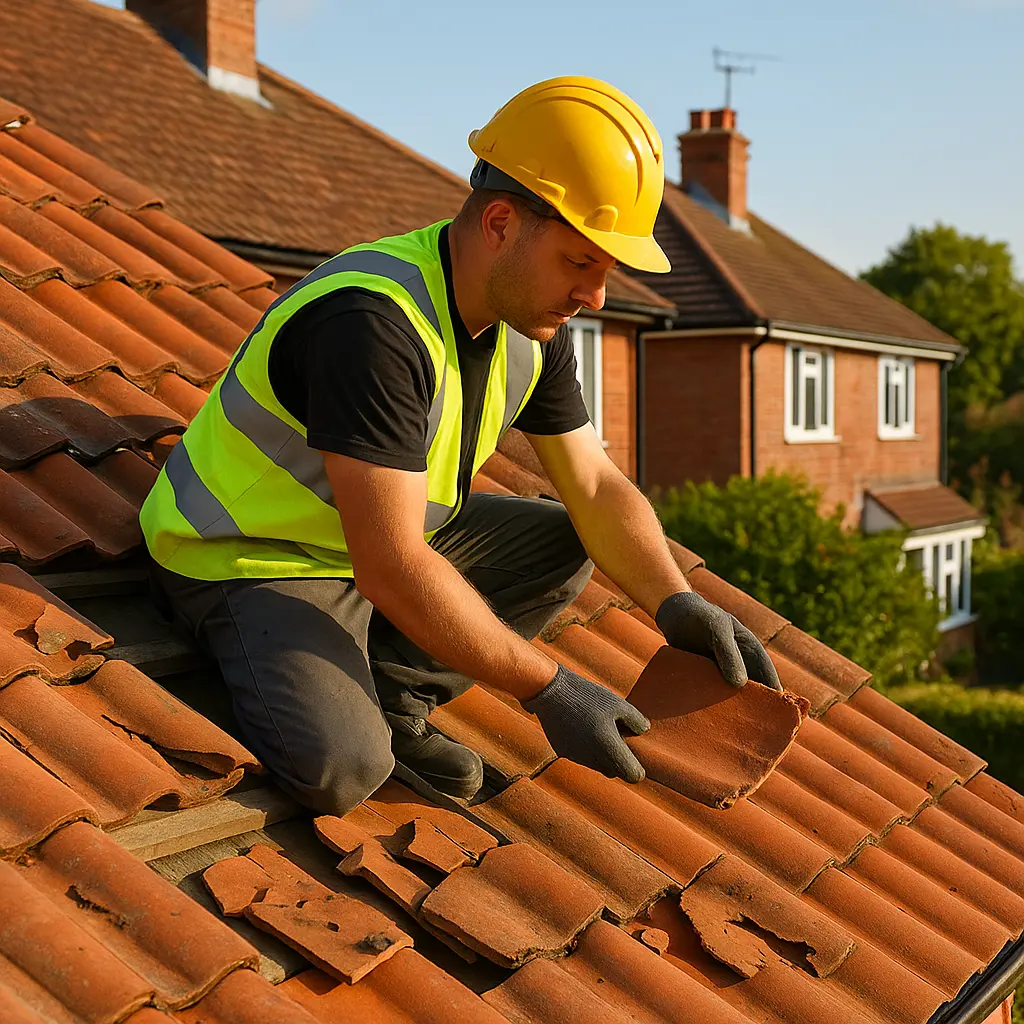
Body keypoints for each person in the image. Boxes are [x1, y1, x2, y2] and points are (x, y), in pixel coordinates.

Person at [141, 76, 781, 816]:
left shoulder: (528, 325)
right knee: (344, 769)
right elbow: (392, 564)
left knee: (566, 538)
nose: (597, 297)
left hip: (374, 544)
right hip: (250, 556)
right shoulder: (372, 324)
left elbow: (597, 487)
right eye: (581, 263)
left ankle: (391, 687)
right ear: (502, 223)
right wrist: (550, 687)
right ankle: (300, 679)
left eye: (608, 271)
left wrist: (675, 600)